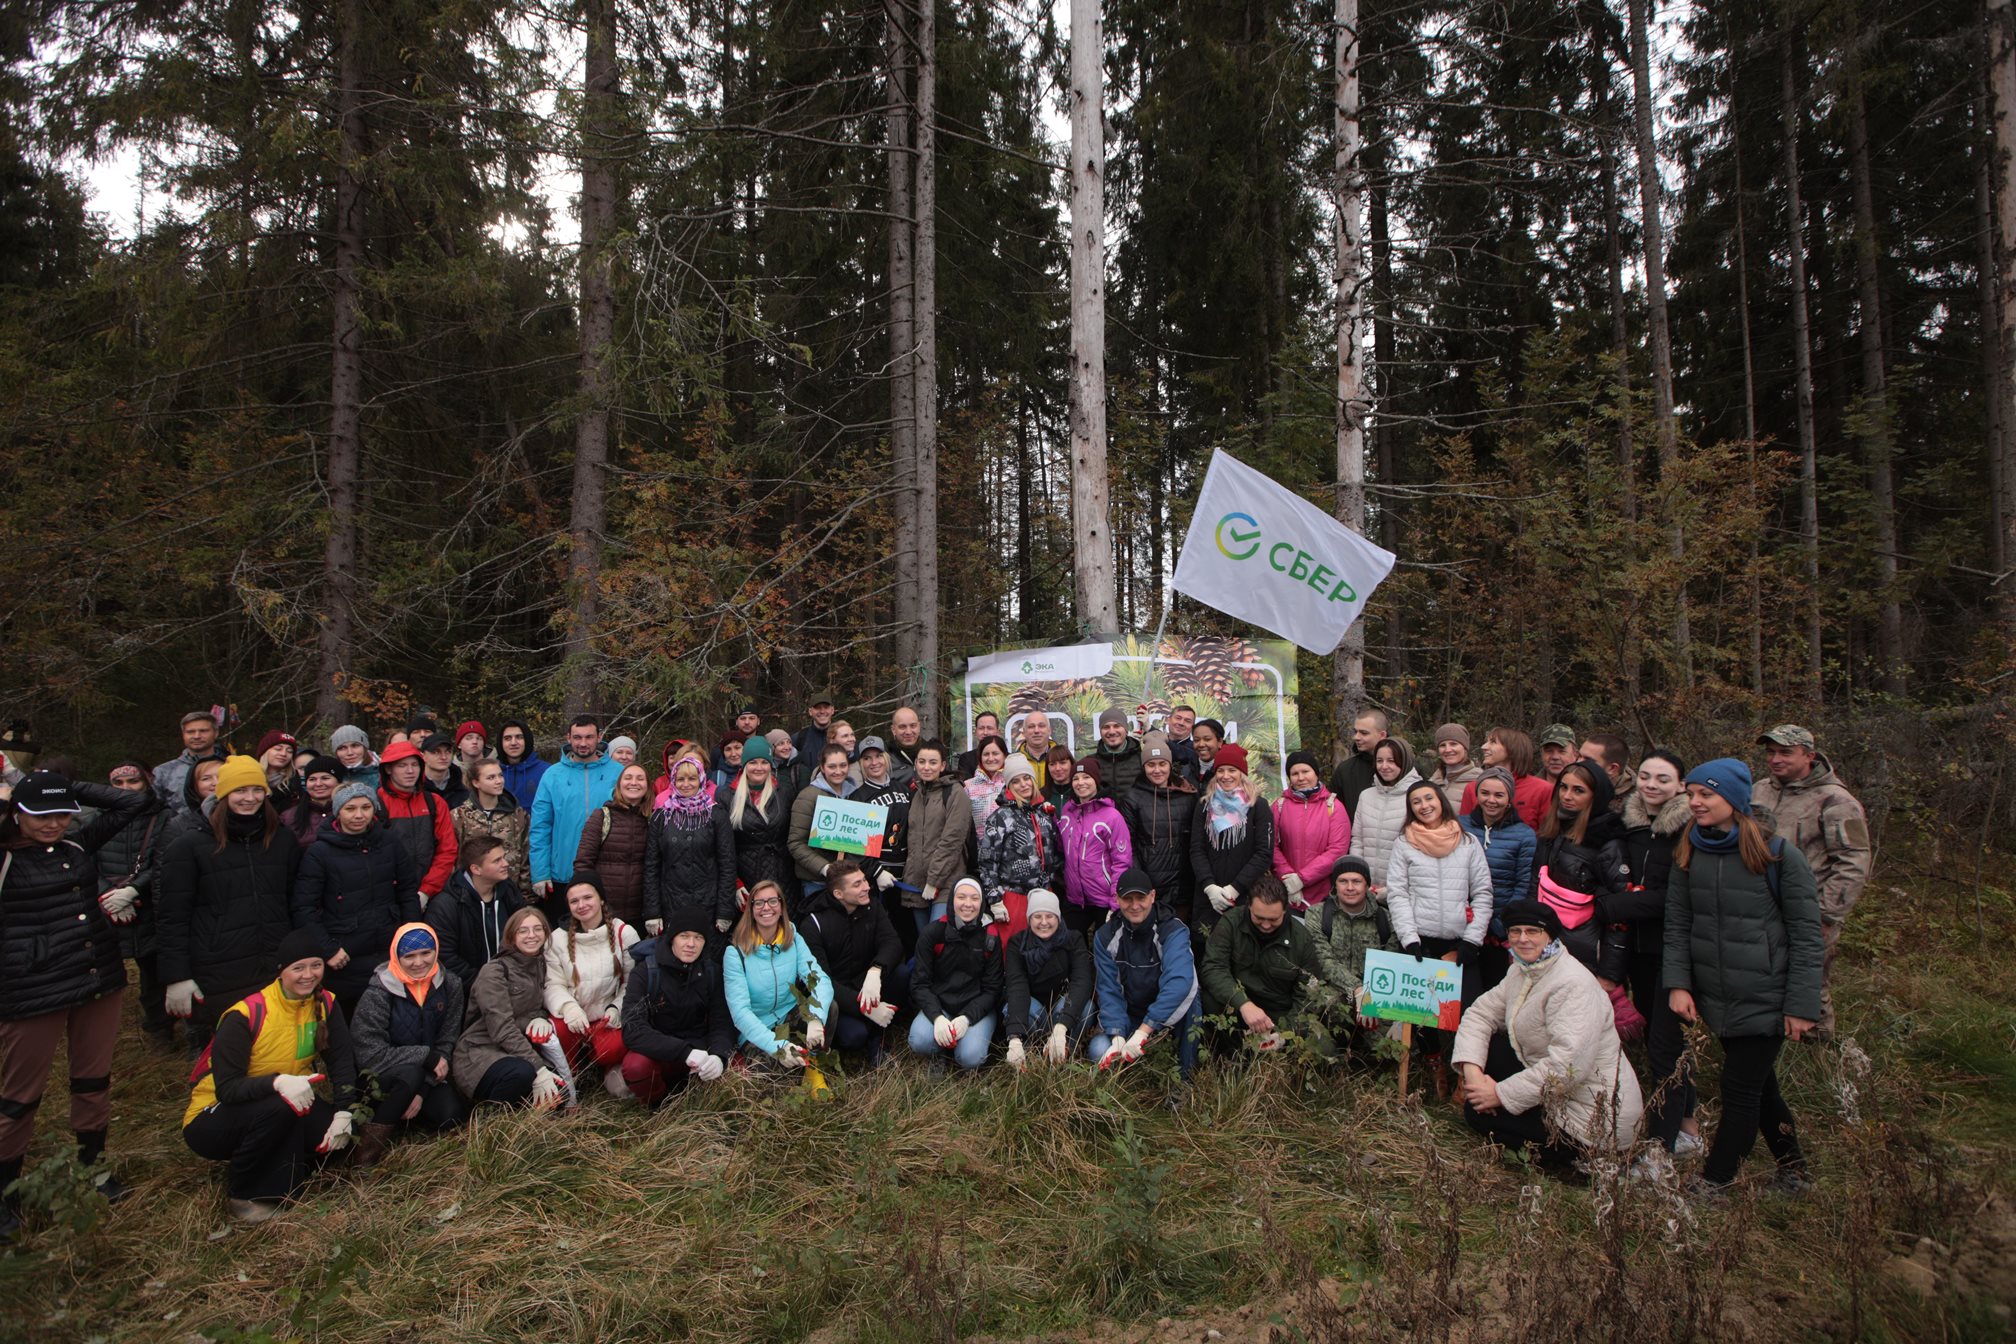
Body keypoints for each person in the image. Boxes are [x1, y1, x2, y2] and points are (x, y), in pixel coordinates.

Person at [0, 772, 151, 1236]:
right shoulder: (4, 856)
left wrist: (65, 785)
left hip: (96, 979)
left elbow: (136, 805)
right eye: (41, 815)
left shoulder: (78, 845)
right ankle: (6, 1190)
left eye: (62, 814)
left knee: (92, 1079)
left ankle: (93, 1166)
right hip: (31, 990)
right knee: (18, 1097)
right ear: (17, 815)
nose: (53, 824)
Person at [1664, 759, 1822, 1194]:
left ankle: (1716, 1181)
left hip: (1766, 995)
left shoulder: (1777, 854)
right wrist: (1678, 983)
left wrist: (1801, 1006)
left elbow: (1808, 936)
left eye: (1705, 795)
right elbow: (1677, 923)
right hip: (1718, 997)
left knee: (1739, 1091)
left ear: (1733, 799)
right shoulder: (1689, 846)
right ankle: (1794, 1170)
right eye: (1691, 794)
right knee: (1760, 1088)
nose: (1694, 803)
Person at [180, 930, 360, 1222]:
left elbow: (341, 1061)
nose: (308, 975)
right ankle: (247, 1194)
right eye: (298, 968)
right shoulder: (246, 1014)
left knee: (338, 1142)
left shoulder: (325, 1003)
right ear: (281, 971)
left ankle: (281, 1167)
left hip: (291, 1099)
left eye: (316, 965)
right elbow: (227, 1090)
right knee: (280, 1106)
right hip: (213, 1116)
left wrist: (344, 1112)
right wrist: (276, 1082)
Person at [1452, 899, 1644, 1172]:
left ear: (1550, 935)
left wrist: (1499, 1094)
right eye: (1515, 932)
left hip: (1593, 1118)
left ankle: (1588, 1162)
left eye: (1533, 931)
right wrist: (1473, 1079)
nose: (1523, 939)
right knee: (1491, 1054)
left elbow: (1567, 1067)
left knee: (1477, 1115)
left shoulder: (1573, 983)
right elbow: (1479, 1014)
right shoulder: (1521, 971)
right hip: (1558, 1092)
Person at [158, 756, 303, 1048]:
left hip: (273, 961)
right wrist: (177, 976)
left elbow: (295, 899)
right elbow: (172, 916)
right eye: (240, 791)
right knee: (228, 1053)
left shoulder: (282, 840)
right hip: (219, 967)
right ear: (223, 794)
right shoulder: (190, 847)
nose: (249, 799)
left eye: (257, 790)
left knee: (275, 1048)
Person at [1752, 725, 1870, 1039]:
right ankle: (1775, 1039)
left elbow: (1853, 862)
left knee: (1810, 980)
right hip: (1762, 904)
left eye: (1785, 752)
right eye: (1771, 752)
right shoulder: (1760, 789)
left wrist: (1826, 914)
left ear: (1809, 755)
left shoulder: (1836, 800)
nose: (1776, 759)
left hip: (1810, 907)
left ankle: (1818, 1050)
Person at [1387, 779, 1495, 1089]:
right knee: (1423, 1012)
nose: (1424, 806)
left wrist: (1472, 941)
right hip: (1422, 940)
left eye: (1428, 798)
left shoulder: (1468, 843)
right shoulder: (1404, 843)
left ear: (1441, 801)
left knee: (1470, 1012)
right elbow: (1398, 893)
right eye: (1416, 802)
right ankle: (1435, 1065)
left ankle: (1465, 1076)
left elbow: (1483, 894)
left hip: (1461, 941)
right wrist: (1409, 938)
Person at [1618, 749, 1699, 1158]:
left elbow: (1679, 896)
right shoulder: (1631, 824)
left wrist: (1624, 904)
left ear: (1680, 786)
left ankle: (1671, 1139)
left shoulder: (1689, 829)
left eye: (1663, 779)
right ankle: (1682, 1126)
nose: (1651, 785)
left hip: (1671, 949)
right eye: (1646, 777)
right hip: (1632, 947)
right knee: (1655, 1037)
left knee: (1667, 1045)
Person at [293, 781, 422, 1016]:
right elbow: (304, 907)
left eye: (366, 807)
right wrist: (328, 949)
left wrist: (409, 938)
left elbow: (407, 891)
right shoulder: (319, 852)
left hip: (388, 948)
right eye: (350, 809)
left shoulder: (389, 843)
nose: (359, 815)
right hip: (345, 955)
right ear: (338, 811)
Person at [349, 923, 468, 1164]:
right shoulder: (379, 992)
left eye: (426, 953)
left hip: (427, 1077)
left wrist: (422, 1090)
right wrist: (424, 1056)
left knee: (451, 1115)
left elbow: (447, 1039)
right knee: (409, 1074)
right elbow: (370, 1054)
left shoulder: (450, 984)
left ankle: (410, 1114)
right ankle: (367, 1154)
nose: (419, 962)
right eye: (409, 956)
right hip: (381, 1078)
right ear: (396, 956)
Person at [1200, 872, 1335, 1056]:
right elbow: (1213, 968)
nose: (1265, 925)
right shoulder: (1230, 923)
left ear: (1285, 910)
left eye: (1273, 920)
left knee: (1325, 1047)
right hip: (1240, 1008)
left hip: (1280, 1014)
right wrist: (1243, 1004)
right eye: (1259, 918)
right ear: (1249, 907)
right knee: (1208, 1002)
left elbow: (1307, 996)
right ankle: (1234, 1056)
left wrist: (1285, 1033)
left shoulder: (1301, 938)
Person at [452, 907, 570, 1111]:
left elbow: (532, 1007)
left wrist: (540, 1017)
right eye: (523, 931)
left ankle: (520, 1125)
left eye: (537, 929)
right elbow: (501, 1028)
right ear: (511, 936)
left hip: (514, 1051)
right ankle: (489, 1123)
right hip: (480, 1052)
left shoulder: (539, 963)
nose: (531, 935)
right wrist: (538, 1067)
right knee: (522, 1074)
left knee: (560, 1093)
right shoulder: (495, 971)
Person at [618, 905, 738, 1105]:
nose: (691, 944)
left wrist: (718, 1056)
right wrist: (684, 1052)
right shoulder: (646, 971)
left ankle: (704, 1101)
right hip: (661, 1051)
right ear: (672, 937)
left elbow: (722, 1021)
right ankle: (658, 1105)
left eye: (698, 937)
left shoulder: (711, 972)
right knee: (635, 1066)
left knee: (737, 1066)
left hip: (700, 1049)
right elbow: (632, 1028)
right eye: (684, 936)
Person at [1531, 761, 1632, 994]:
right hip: (1547, 948)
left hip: (1587, 956)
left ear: (1595, 796)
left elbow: (1620, 913)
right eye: (1563, 787)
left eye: (1578, 790)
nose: (1567, 796)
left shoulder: (1608, 843)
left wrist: (1609, 973)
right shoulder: (1553, 831)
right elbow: (1535, 883)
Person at [1089, 867, 1199, 1079]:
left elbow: (1180, 982)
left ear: (1152, 896)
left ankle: (1184, 1081)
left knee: (1192, 1001)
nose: (1135, 905)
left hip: (1163, 1015)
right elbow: (1108, 989)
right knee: (1098, 1051)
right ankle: (1123, 1083)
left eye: (1141, 898)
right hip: (1129, 1014)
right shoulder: (1105, 936)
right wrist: (1118, 1035)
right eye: (1127, 899)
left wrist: (1144, 1030)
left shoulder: (1172, 930)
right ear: (1118, 900)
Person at [94, 761, 171, 1046]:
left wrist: (134, 890)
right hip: (107, 907)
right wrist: (107, 895)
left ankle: (159, 1029)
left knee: (154, 972)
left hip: (149, 905)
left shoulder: (162, 816)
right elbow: (85, 860)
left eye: (133, 782)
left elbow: (164, 860)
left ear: (146, 783)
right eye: (119, 783)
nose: (126, 788)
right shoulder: (98, 817)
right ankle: (97, 1034)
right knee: (102, 973)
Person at [796, 861, 905, 1058]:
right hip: (838, 993)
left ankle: (878, 1037)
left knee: (902, 973)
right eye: (857, 884)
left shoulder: (873, 906)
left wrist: (876, 970)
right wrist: (863, 1008)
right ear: (838, 894)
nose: (867, 887)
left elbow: (892, 942)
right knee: (854, 1036)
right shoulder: (813, 924)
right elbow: (822, 981)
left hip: (867, 982)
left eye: (864, 880)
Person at [722, 879, 833, 1071]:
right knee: (768, 1075)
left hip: (788, 1016)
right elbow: (740, 1013)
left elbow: (819, 980)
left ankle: (813, 1068)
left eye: (773, 901)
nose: (767, 908)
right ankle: (794, 1063)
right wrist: (777, 1046)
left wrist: (816, 1018)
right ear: (751, 910)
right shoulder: (735, 953)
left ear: (781, 906)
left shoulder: (793, 936)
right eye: (759, 903)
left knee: (830, 1009)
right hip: (758, 1029)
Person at [544, 874, 640, 1094]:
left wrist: (616, 1007)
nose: (582, 905)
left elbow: (633, 982)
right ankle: (572, 1075)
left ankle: (604, 1066)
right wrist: (569, 1008)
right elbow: (552, 984)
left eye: (588, 897)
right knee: (557, 1031)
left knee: (613, 1047)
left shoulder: (623, 932)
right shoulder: (557, 938)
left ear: (601, 899)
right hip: (574, 1018)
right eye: (574, 901)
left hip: (606, 1018)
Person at [528, 715, 625, 908]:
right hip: (563, 872)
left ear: (599, 737)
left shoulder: (618, 773)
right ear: (568, 738)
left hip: (608, 873)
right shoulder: (553, 775)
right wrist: (540, 872)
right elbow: (540, 827)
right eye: (577, 737)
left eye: (589, 737)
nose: (583, 743)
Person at [909, 877, 1003, 1072]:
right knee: (919, 1040)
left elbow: (992, 989)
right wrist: (937, 1017)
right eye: (961, 897)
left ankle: (962, 1050)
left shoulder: (990, 936)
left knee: (970, 1057)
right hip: (941, 1006)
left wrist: (967, 1018)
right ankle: (939, 1054)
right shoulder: (933, 933)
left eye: (974, 898)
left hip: (976, 1008)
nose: (968, 904)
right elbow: (920, 984)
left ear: (982, 902)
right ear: (952, 900)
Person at [1458, 767, 1536, 994]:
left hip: (1499, 929)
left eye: (1498, 795)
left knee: (1495, 992)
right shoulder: (1459, 826)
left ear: (1509, 798)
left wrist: (1502, 925)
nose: (1491, 800)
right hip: (1462, 924)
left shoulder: (1524, 835)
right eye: (1485, 793)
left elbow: (1523, 884)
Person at [1001, 890, 1094, 1069]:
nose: (1044, 922)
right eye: (1037, 916)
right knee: (1012, 1009)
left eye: (1049, 916)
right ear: (1029, 919)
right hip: (1033, 1010)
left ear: (1058, 918)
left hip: (1063, 1009)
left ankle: (1063, 1053)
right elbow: (1017, 986)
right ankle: (1029, 1054)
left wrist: (1062, 1026)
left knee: (1086, 1008)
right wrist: (1014, 1037)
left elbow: (1082, 981)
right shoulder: (1017, 944)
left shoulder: (1073, 939)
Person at [1309, 856, 1394, 1052]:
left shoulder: (1386, 919)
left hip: (1374, 995)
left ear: (1367, 885)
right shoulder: (1318, 914)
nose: (1350, 887)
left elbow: (1391, 963)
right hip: (1334, 994)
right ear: (1334, 885)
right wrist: (1356, 989)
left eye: (1356, 881)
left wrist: (1369, 997)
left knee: (1389, 1050)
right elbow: (1324, 960)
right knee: (1326, 1040)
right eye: (1343, 881)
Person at [647, 757, 738, 935]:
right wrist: (652, 911)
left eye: (692, 779)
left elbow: (727, 864)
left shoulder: (717, 815)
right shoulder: (661, 817)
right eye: (680, 779)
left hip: (708, 903)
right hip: (671, 903)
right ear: (673, 781)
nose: (686, 784)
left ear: (701, 780)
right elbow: (651, 867)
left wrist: (725, 910)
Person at [1189, 743, 1275, 934]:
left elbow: (1264, 853)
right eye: (1220, 770)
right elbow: (1197, 849)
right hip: (1209, 898)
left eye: (1232, 770)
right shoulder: (1204, 806)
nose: (1225, 776)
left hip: (1245, 896)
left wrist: (1234, 888)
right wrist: (1209, 886)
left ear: (1242, 773)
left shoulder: (1258, 806)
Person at [424, 834, 526, 990]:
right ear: (476, 869)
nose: (506, 864)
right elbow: (445, 956)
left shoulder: (509, 891)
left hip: (511, 982)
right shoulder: (445, 905)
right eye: (497, 860)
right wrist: (484, 983)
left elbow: (525, 932)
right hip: (469, 990)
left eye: (504, 857)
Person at [980, 755, 1064, 937]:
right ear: (1009, 786)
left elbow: (1056, 852)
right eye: (1016, 781)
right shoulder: (1000, 817)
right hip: (1014, 897)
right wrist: (994, 899)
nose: (1023, 784)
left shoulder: (1045, 813)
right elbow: (987, 861)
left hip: (1044, 894)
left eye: (1027, 778)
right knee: (1013, 951)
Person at [900, 740, 971, 946]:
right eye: (922, 762)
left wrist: (934, 880)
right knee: (924, 943)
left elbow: (952, 840)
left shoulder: (955, 793)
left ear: (942, 766)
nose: (926, 767)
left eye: (933, 762)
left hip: (945, 882)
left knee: (939, 940)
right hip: (916, 884)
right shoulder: (915, 793)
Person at [1122, 732, 1198, 922]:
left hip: (1183, 886)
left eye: (1162, 764)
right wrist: (1142, 882)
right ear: (1143, 767)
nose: (1157, 770)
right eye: (1151, 764)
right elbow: (1128, 843)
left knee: (1178, 938)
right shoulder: (1133, 797)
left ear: (1170, 765)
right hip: (1150, 886)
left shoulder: (1187, 795)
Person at [375, 741, 458, 906]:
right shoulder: (374, 804)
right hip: (388, 897)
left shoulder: (435, 802)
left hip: (433, 893)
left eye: (415, 765)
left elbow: (447, 850)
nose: (410, 771)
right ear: (388, 769)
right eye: (402, 765)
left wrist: (426, 891)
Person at [1271, 749, 1351, 915]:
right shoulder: (1279, 806)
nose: (1301, 778)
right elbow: (1270, 846)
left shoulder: (1334, 806)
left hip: (1323, 895)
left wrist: (1301, 879)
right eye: (1295, 773)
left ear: (1316, 773)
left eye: (1305, 771)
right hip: (1287, 893)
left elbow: (1337, 849)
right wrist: (1289, 879)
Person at [571, 763, 652, 926]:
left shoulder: (653, 820)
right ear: (619, 785)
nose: (634, 782)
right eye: (628, 778)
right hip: (604, 911)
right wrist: (591, 900)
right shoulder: (601, 816)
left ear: (648, 786)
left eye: (640, 778)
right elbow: (583, 862)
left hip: (640, 912)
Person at [1058, 757, 1133, 931]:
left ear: (1096, 781)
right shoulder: (1067, 812)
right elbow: (1062, 849)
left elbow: (1122, 861)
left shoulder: (1111, 816)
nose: (1080, 783)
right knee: (1071, 946)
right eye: (1076, 778)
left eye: (1086, 777)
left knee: (1105, 950)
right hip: (1075, 899)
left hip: (1104, 899)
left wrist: (1116, 900)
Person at [789, 745, 865, 910]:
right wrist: (825, 868)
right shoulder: (808, 797)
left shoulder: (856, 795)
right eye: (832, 766)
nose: (838, 771)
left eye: (843, 765)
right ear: (822, 768)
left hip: (850, 882)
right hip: (817, 882)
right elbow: (795, 843)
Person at [726, 734, 795, 900]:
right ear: (744, 765)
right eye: (753, 762)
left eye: (764, 762)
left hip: (783, 874)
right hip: (748, 874)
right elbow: (724, 847)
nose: (759, 767)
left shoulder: (784, 792)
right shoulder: (727, 797)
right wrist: (735, 882)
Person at [1347, 737, 1421, 889]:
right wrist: (1358, 877)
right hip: (1366, 889)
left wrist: (1395, 889)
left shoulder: (1418, 796)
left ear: (1404, 761)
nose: (1384, 766)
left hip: (1402, 889)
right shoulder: (1366, 796)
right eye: (1380, 761)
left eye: (1391, 761)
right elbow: (1358, 840)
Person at [452, 757, 529, 887]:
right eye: (491, 778)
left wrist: (525, 893)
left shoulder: (517, 815)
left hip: (509, 890)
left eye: (500, 776)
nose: (498, 781)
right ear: (476, 782)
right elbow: (454, 858)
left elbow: (526, 855)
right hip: (470, 891)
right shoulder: (459, 816)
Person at [1458, 728, 1555, 831]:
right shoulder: (1472, 788)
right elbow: (1464, 831)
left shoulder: (1542, 790)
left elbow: (1547, 835)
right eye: (1485, 793)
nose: (1484, 747)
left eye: (1493, 742)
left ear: (1512, 749)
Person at [852, 736, 912, 902]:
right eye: (867, 758)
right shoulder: (857, 798)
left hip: (907, 870)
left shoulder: (903, 789)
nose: (874, 762)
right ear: (861, 763)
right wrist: (876, 872)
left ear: (886, 757)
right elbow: (856, 846)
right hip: (878, 875)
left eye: (878, 756)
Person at [155, 711, 223, 815]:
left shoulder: (231, 766)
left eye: (203, 731)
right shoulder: (163, 772)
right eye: (190, 732)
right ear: (183, 735)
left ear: (216, 733)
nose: (196, 736)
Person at [1326, 709, 1387, 824]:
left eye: (1364, 733)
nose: (1356, 737)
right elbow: (1332, 813)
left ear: (1382, 735)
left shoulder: (1402, 767)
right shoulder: (1345, 771)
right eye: (1356, 731)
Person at [162, 756, 224, 852]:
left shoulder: (247, 816)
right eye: (206, 778)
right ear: (194, 785)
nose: (216, 782)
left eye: (221, 776)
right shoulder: (179, 824)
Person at [284, 756, 341, 849]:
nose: (318, 784)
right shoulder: (289, 817)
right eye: (312, 779)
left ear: (339, 781)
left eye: (325, 778)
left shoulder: (350, 810)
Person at [1089, 707, 1144, 800]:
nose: (1111, 731)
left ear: (1126, 729)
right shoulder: (1091, 762)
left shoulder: (1142, 759)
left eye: (1117, 726)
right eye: (1106, 727)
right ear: (1100, 731)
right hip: (1103, 814)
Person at [1428, 724, 1482, 816]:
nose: (1447, 749)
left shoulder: (1479, 781)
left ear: (1465, 748)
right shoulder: (1433, 781)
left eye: (1453, 744)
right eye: (1442, 745)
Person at [497, 720, 549, 810]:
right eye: (507, 738)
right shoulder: (493, 772)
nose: (513, 743)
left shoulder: (547, 771)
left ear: (527, 740)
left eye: (519, 737)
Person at [1579, 732, 1634, 815]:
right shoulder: (1568, 780)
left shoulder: (1634, 804)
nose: (1578, 762)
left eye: (1588, 760)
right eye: (1579, 756)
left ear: (1612, 768)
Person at [963, 735, 1009, 833]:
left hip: (1009, 846)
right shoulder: (968, 786)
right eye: (986, 754)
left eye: (995, 753)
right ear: (980, 757)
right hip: (978, 846)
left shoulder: (1012, 782)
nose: (991, 758)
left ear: (1004, 755)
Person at [255, 730, 301, 813]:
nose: (284, 754)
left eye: (289, 751)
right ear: (265, 752)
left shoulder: (295, 782)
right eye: (278, 749)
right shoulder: (250, 777)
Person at [417, 733, 467, 808]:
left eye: (448, 751)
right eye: (436, 752)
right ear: (423, 755)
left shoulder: (462, 790)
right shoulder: (414, 788)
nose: (443, 757)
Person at [328, 724, 380, 792]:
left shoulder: (381, 774)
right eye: (342, 748)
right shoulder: (330, 775)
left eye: (355, 746)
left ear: (364, 748)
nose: (350, 753)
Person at [1014, 713, 1056, 795]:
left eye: (1041, 726)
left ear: (1049, 730)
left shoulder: (1062, 759)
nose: (1036, 730)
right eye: (1031, 727)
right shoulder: (1014, 761)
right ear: (1024, 732)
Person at [1162, 705, 1203, 788]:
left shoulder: (1196, 749)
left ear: (1193, 727)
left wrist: (1150, 730)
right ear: (1168, 720)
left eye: (1187, 721)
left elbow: (1179, 752)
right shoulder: (1156, 743)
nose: (1181, 723)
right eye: (1178, 718)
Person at [792, 696, 838, 767]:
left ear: (832, 710)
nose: (822, 711)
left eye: (826, 707)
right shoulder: (799, 738)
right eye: (818, 708)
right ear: (810, 711)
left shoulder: (842, 735)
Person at [954, 711, 1002, 778]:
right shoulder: (966, 759)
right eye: (981, 728)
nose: (985, 732)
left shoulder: (1008, 758)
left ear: (998, 732)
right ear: (976, 732)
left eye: (989, 728)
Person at [887, 707, 923, 785]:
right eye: (902, 727)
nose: (908, 732)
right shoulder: (885, 760)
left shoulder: (933, 754)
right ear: (893, 730)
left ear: (919, 727)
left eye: (913, 726)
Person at [769, 729, 812, 794]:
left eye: (789, 742)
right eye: (781, 743)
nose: (787, 747)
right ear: (772, 747)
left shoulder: (800, 771)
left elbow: (802, 798)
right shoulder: (765, 768)